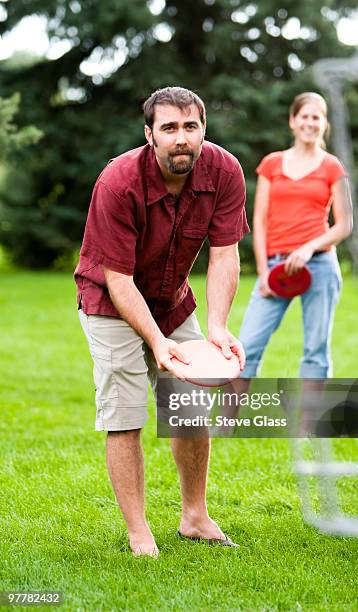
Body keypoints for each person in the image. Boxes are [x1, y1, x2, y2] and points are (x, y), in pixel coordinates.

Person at [74, 87, 249, 557]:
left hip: (174, 300)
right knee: (125, 414)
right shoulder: (118, 182)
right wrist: (156, 342)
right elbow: (118, 279)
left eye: (190, 127)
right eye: (169, 128)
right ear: (149, 134)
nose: (181, 139)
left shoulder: (225, 170)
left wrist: (216, 326)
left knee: (188, 403)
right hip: (111, 301)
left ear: (203, 130)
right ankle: (139, 532)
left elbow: (224, 256)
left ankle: (195, 516)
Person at [239, 92, 353, 380]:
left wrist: (307, 249)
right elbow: (259, 221)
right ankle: (226, 426)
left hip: (319, 266)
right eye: (305, 116)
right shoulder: (272, 164)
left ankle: (308, 427)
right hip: (276, 266)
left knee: (316, 352)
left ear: (324, 124)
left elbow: (344, 225)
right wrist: (264, 272)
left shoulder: (332, 167)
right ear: (293, 121)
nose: (310, 123)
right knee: (247, 347)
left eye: (317, 117)